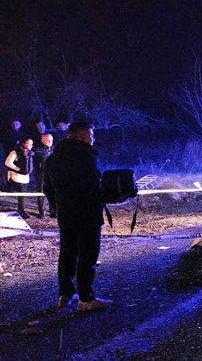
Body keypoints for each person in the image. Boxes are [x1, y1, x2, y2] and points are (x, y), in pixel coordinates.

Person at [43, 122, 112, 311]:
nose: (93, 138)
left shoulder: (52, 159)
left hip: (66, 215)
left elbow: (47, 188)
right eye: (91, 134)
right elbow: (91, 189)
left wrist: (59, 207)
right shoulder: (87, 156)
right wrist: (111, 196)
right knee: (87, 255)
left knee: (67, 254)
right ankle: (86, 298)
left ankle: (65, 294)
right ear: (81, 135)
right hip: (88, 214)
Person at [5, 136, 34, 219]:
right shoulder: (15, 152)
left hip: (25, 177)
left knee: (23, 194)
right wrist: (18, 169)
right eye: (29, 144)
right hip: (16, 176)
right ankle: (22, 210)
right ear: (23, 143)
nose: (31, 146)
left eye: (32, 144)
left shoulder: (30, 153)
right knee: (21, 193)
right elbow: (8, 162)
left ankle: (21, 208)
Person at [33, 133, 55, 218]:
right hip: (42, 174)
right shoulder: (38, 150)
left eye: (51, 140)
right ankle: (42, 211)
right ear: (42, 140)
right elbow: (41, 161)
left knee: (53, 191)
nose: (50, 142)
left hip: (53, 174)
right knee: (42, 192)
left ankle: (53, 211)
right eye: (48, 140)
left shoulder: (54, 149)